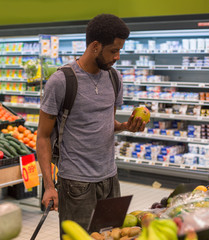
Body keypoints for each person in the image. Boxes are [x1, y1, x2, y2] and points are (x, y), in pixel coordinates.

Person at [36, 13, 147, 235]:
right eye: (113, 51)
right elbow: (43, 136)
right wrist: (49, 186)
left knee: (113, 236)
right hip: (76, 184)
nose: (117, 57)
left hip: (109, 178)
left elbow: (107, 123)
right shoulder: (62, 81)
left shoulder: (114, 78)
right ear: (95, 46)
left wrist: (126, 126)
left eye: (119, 51)